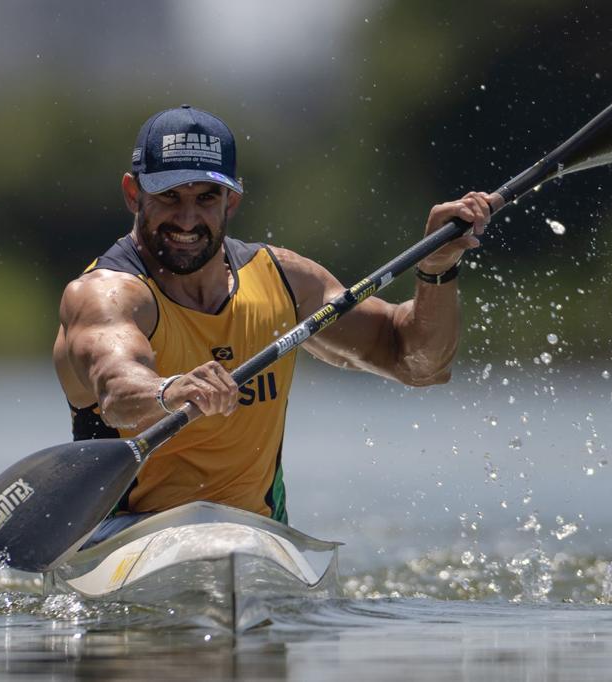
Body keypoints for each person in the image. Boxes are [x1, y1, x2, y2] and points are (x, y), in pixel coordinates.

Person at [52, 105, 493, 543]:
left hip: (256, 540)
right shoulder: (104, 296)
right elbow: (116, 390)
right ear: (134, 194)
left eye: (206, 197)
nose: (187, 219)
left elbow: (419, 364)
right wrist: (172, 390)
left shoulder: (285, 280)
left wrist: (437, 269)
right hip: (124, 538)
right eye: (169, 196)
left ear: (232, 200)